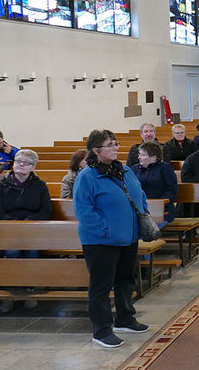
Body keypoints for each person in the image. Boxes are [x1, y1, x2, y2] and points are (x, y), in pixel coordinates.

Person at [73, 129, 150, 348]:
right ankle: (102, 330)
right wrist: (106, 230)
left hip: (128, 236)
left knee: (126, 279)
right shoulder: (87, 177)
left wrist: (141, 214)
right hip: (101, 241)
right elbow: (84, 210)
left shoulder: (124, 169)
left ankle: (125, 318)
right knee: (101, 286)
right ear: (96, 150)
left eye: (116, 143)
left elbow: (139, 193)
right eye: (110, 145)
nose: (116, 147)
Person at [131, 141, 178, 223]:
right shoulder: (134, 169)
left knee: (148, 226)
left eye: (143, 155)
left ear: (153, 157)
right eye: (139, 154)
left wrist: (158, 204)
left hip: (162, 209)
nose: (139, 157)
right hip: (139, 209)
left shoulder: (165, 168)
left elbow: (171, 190)